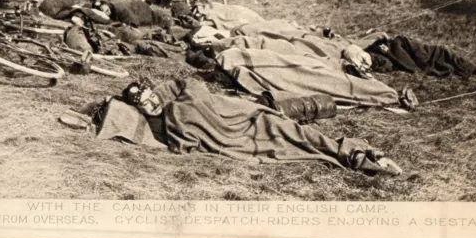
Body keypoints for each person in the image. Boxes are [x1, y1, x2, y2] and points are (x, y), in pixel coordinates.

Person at [119, 78, 403, 175]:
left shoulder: (181, 93)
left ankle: (358, 152)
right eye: (144, 104)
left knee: (299, 133)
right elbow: (185, 146)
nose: (150, 104)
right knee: (292, 147)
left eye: (150, 97)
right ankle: (358, 157)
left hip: (252, 118)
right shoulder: (162, 123)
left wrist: (178, 109)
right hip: (240, 140)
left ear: (153, 91)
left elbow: (194, 89)